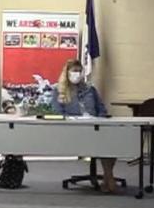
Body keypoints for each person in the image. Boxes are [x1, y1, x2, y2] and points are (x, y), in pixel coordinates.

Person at [51, 58, 119, 193]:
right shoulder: (59, 90)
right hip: (74, 130)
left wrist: (100, 119)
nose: (77, 74)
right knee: (104, 143)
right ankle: (109, 178)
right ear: (67, 73)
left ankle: (107, 177)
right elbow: (57, 113)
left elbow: (101, 109)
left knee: (112, 142)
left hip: (94, 126)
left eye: (79, 71)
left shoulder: (90, 89)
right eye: (74, 71)